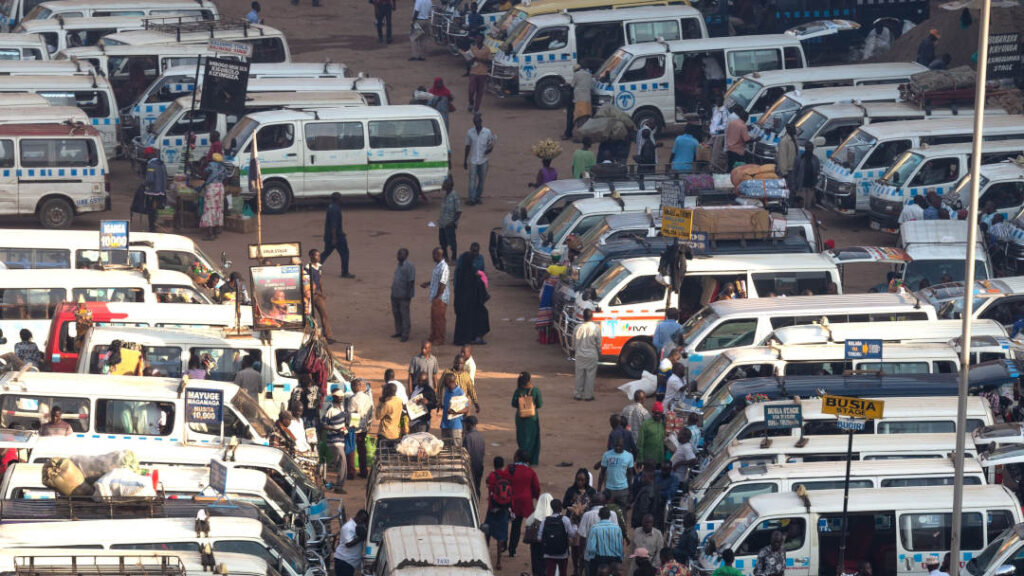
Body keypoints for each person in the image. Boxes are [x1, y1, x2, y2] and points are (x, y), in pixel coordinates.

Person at [508, 449, 542, 559]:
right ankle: (516, 549)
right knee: (523, 525)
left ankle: (507, 546)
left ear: (517, 458)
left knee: (510, 524)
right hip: (525, 502)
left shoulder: (510, 468)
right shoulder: (531, 472)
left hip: (511, 501)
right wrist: (536, 497)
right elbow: (536, 488)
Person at [453, 251, 490, 346]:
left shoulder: (461, 272)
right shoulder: (472, 273)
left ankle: (463, 339)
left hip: (462, 304)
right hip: (472, 304)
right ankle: (474, 337)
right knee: (480, 317)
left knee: (463, 322)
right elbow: (478, 289)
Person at [564, 468, 596, 575]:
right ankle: (576, 568)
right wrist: (572, 502)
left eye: (582, 480)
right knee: (575, 547)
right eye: (578, 480)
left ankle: (581, 569)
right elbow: (564, 504)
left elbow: (594, 506)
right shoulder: (571, 490)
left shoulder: (591, 492)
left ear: (586, 480)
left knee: (584, 548)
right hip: (574, 523)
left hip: (586, 523)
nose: (580, 482)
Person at [486, 455, 513, 569]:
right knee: (501, 536)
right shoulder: (506, 475)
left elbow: (488, 484)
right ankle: (498, 562)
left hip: (492, 508)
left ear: (494, 464)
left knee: (486, 530)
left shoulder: (492, 475)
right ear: (502, 465)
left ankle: (485, 554)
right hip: (504, 509)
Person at [512, 371, 543, 465]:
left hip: (521, 418)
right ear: (529, 380)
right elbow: (540, 404)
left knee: (521, 438)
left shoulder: (518, 391)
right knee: (533, 439)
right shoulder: (535, 390)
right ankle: (532, 460)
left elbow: (513, 404)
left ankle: (522, 459)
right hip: (532, 418)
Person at [305, 249, 336, 343]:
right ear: (310, 256)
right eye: (316, 256)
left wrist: (322, 291)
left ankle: (328, 335)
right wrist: (320, 293)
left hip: (317, 295)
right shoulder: (307, 268)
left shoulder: (319, 267)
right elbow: (309, 284)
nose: (318, 257)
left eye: (318, 255)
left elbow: (320, 280)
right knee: (308, 317)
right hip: (309, 296)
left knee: (324, 314)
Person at [322, 388, 350, 493]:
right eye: (339, 396)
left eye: (342, 396)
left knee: (339, 463)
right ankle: (339, 487)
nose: (341, 398)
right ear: (334, 397)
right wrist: (334, 429)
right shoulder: (330, 409)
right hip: (334, 441)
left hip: (341, 439)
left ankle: (337, 485)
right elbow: (324, 425)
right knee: (342, 463)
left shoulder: (341, 408)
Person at [464, 113, 496, 206]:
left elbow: (491, 145)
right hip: (473, 160)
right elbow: (467, 146)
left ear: (481, 122)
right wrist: (465, 160)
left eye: (478, 122)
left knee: (481, 180)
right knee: (472, 180)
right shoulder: (470, 132)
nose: (477, 124)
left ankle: (477, 197)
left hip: (483, 160)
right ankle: (471, 198)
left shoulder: (487, 132)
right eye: (475, 122)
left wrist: (489, 150)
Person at [421, 247, 450, 345]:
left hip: (440, 298)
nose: (432, 257)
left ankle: (440, 338)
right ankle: (433, 336)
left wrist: (437, 296)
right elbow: (436, 279)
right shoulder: (438, 265)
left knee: (439, 319)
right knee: (434, 318)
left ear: (438, 255)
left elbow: (443, 284)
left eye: (434, 255)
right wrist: (428, 283)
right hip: (436, 296)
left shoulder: (444, 267)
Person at [542, 499, 576, 576]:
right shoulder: (565, 520)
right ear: (561, 508)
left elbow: (539, 536)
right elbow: (571, 534)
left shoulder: (545, 520)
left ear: (551, 508)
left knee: (549, 572)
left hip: (549, 552)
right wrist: (575, 526)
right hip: (563, 553)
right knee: (563, 572)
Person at [323, 193, 354, 278]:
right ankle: (345, 272)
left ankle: (313, 268)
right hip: (337, 237)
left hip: (329, 236)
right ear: (338, 199)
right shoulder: (336, 210)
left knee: (326, 253)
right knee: (345, 253)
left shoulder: (330, 207)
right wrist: (334, 238)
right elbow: (334, 226)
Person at [585, 507, 624, 576]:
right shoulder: (617, 528)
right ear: (609, 516)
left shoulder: (594, 528)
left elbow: (591, 547)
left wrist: (592, 558)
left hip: (599, 559)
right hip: (614, 559)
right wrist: (619, 559)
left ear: (599, 515)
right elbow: (620, 545)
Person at [573, 308, 601, 401]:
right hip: (592, 355)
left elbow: (573, 343)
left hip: (580, 355)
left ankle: (577, 394)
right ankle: (588, 396)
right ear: (592, 317)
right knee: (590, 376)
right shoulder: (596, 328)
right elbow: (599, 344)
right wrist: (599, 352)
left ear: (583, 317)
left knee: (579, 375)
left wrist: (575, 350)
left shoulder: (577, 328)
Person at [599, 438, 635, 509]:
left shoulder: (629, 456)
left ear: (623, 445)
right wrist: (599, 489)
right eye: (616, 446)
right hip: (609, 490)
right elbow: (602, 473)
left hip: (623, 490)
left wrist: (630, 491)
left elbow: (630, 474)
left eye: (620, 446)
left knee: (622, 513)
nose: (618, 448)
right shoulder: (607, 455)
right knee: (608, 512)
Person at [349, 379, 374, 478]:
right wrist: (369, 425)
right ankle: (364, 471)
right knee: (362, 448)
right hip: (365, 426)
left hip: (354, 426)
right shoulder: (368, 398)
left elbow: (350, 413)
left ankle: (351, 472)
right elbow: (371, 412)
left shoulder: (353, 399)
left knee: (351, 448)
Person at [525, 493, 555, 575]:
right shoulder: (554, 517)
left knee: (536, 564)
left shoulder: (533, 517)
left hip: (536, 546)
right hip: (549, 546)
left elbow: (527, 525)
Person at [199, 153, 226, 240]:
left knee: (209, 209)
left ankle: (210, 234)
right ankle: (215, 231)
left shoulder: (211, 165)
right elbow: (226, 177)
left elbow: (204, 174)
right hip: (220, 188)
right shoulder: (223, 167)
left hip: (212, 188)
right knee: (218, 209)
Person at [390, 248, 415, 343]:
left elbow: (411, 281)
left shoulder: (409, 266)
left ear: (406, 256)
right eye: (398, 254)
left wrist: (408, 294)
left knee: (404, 315)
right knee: (396, 313)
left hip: (404, 295)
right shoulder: (398, 266)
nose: (399, 256)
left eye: (401, 254)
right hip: (395, 293)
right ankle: (399, 331)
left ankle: (405, 334)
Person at [333, 510, 368, 576]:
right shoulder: (348, 527)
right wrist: (361, 537)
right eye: (363, 521)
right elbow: (348, 544)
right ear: (358, 518)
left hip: (349, 562)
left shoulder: (359, 527)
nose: (363, 523)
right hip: (343, 561)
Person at [142, 147, 167, 233]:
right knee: (158, 209)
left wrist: (144, 184)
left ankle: (152, 227)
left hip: (152, 192)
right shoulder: (161, 164)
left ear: (150, 155)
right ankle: (158, 225)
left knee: (151, 210)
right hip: (161, 191)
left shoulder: (151, 165)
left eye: (146, 154)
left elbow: (150, 179)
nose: (145, 156)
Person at [440, 371, 469, 444]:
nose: (443, 382)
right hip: (445, 424)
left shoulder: (460, 393)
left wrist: (455, 412)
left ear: (450, 381)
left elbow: (466, 409)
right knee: (446, 448)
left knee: (457, 449)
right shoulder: (446, 390)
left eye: (445, 381)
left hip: (455, 426)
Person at [791, 141, 821, 209]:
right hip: (801, 187)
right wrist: (794, 185)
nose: (809, 149)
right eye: (808, 148)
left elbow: (817, 173)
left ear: (813, 149)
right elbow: (794, 173)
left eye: (810, 148)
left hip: (810, 187)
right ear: (805, 148)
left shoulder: (815, 159)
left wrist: (815, 186)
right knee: (800, 207)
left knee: (808, 207)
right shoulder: (799, 158)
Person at [438, 177, 461, 262]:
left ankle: (454, 258)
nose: (443, 186)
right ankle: (445, 256)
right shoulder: (446, 195)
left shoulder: (454, 196)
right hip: (442, 223)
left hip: (449, 223)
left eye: (445, 185)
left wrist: (453, 222)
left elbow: (458, 211)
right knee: (442, 241)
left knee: (452, 242)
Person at [466, 34, 490, 113]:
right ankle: (471, 102)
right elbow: (468, 61)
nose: (478, 40)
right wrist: (472, 60)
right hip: (473, 72)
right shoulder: (472, 48)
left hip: (483, 73)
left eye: (479, 39)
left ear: (483, 40)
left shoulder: (487, 49)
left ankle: (476, 108)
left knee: (480, 92)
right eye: (477, 38)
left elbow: (489, 61)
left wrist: (479, 59)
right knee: (471, 90)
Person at [376, 382, 404, 449]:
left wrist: (380, 403)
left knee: (382, 456)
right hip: (396, 433)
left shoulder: (387, 404)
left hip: (385, 434)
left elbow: (378, 416)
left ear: (386, 391)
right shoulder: (399, 401)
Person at [463, 415, 485, 495]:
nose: (464, 426)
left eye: (465, 424)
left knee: (471, 489)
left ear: (469, 424)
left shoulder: (468, 437)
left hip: (471, 467)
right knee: (477, 488)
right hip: (479, 466)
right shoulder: (480, 436)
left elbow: (466, 454)